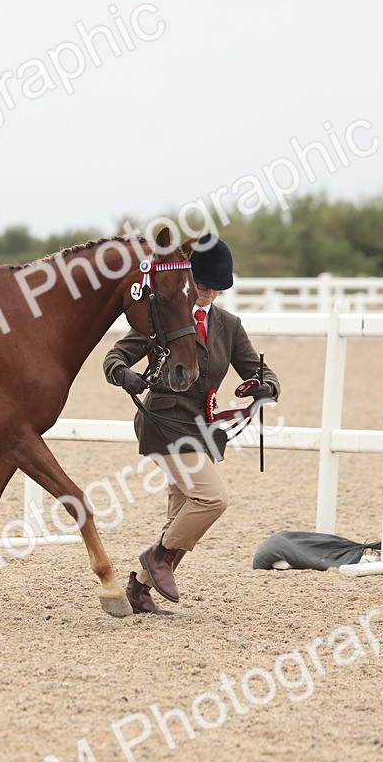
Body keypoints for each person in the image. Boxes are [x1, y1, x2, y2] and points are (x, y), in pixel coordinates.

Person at [102, 235, 280, 615]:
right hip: (164, 422)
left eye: (217, 288)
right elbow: (115, 356)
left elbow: (258, 368)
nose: (210, 293)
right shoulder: (165, 316)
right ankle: (158, 556)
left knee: (182, 514)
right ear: (187, 281)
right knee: (213, 499)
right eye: (203, 285)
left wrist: (265, 385)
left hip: (202, 430)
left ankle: (139, 587)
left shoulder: (229, 326)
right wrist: (123, 374)